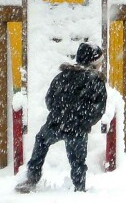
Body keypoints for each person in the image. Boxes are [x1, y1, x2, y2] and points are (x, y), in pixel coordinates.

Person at [15, 42, 107, 194]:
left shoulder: (62, 76)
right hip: (78, 129)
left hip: (55, 124)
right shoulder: (96, 81)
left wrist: (59, 113)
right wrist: (84, 121)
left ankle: (32, 177)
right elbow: (99, 109)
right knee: (78, 161)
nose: (100, 66)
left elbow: (49, 99)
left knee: (41, 141)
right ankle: (79, 188)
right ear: (94, 63)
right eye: (99, 63)